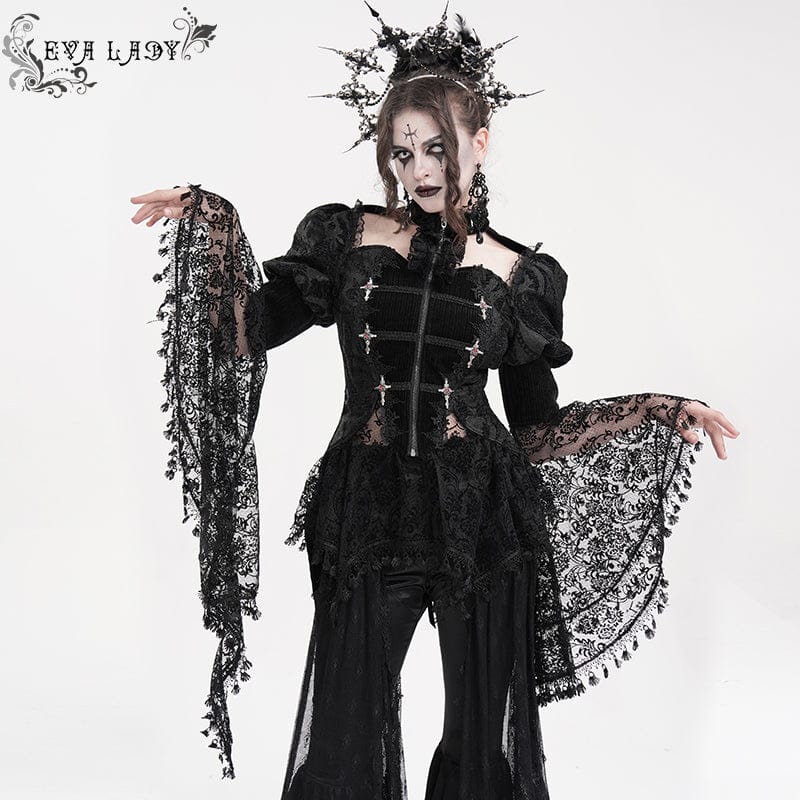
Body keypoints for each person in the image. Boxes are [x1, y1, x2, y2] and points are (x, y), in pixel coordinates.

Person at [130, 7, 738, 799]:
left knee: (485, 747)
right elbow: (247, 332)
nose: (418, 169)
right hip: (368, 512)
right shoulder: (344, 238)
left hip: (483, 520)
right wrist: (215, 224)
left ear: (480, 143)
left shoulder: (523, 276)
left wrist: (651, 410)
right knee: (342, 736)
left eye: (437, 148)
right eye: (402, 150)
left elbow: (536, 429)